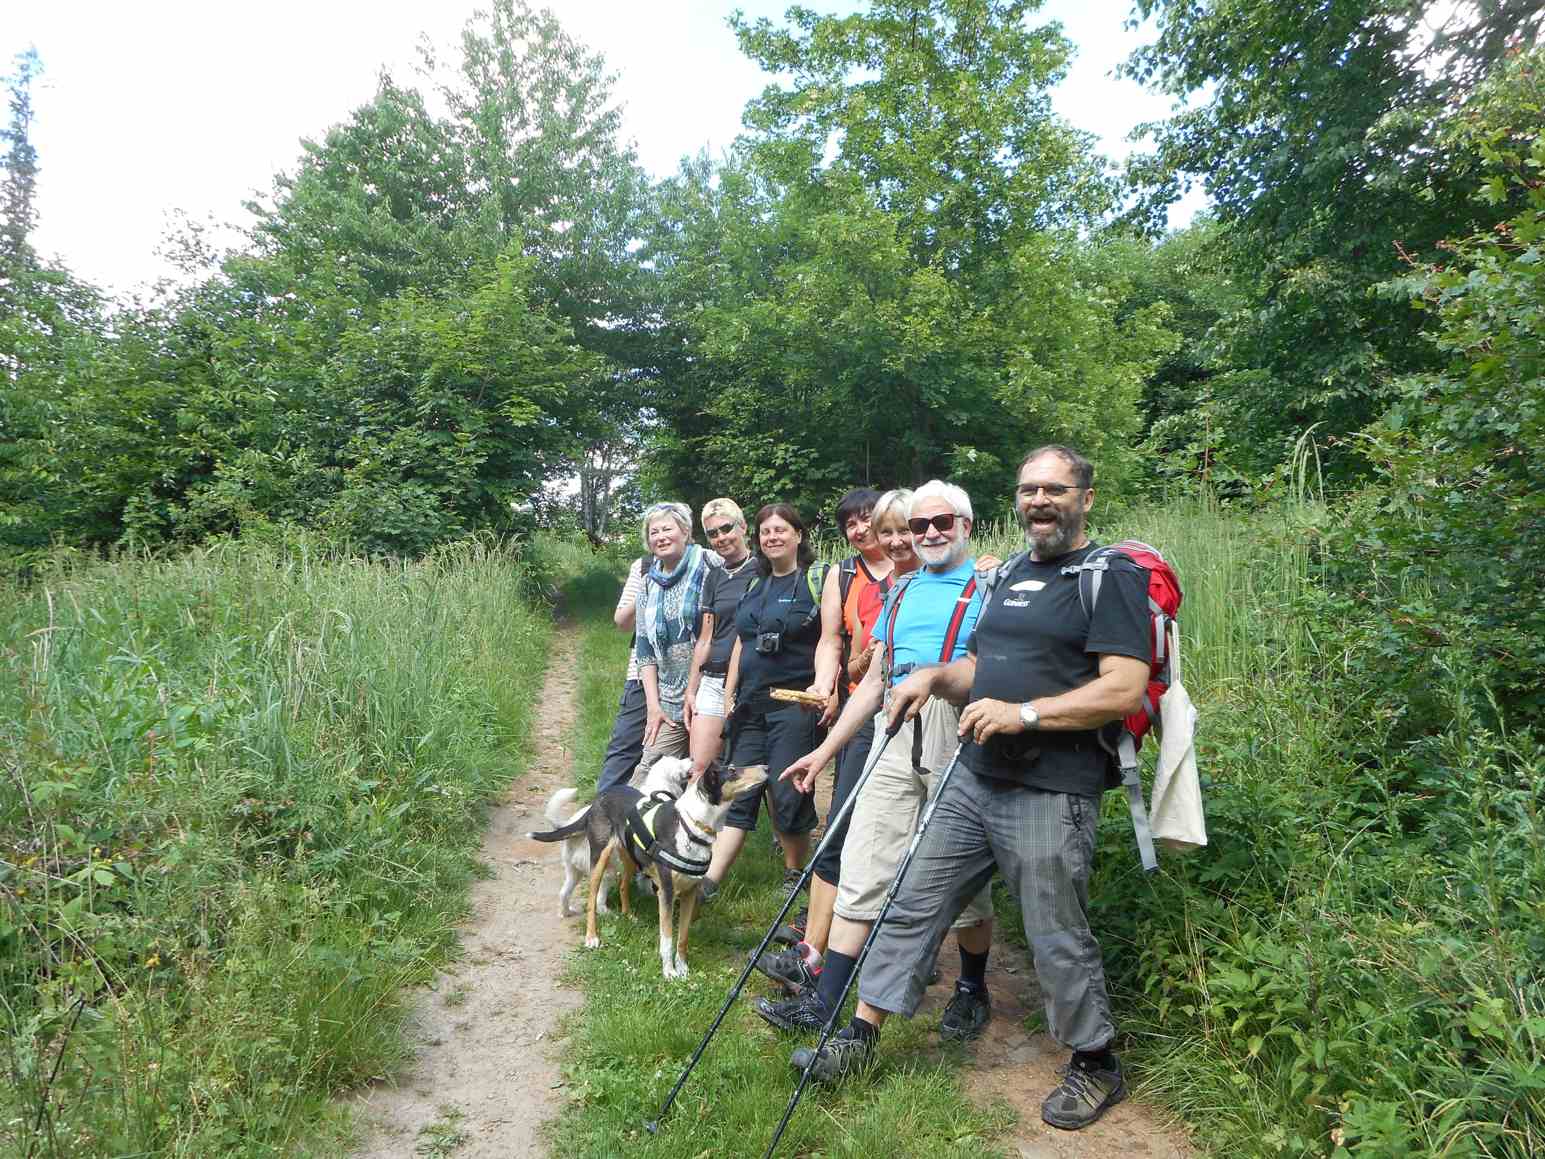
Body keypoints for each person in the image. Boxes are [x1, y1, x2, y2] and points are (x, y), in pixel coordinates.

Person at [789, 446, 1152, 1134]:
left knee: (1055, 932)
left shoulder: (1109, 577)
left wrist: (1025, 714)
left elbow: (1122, 688)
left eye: (1055, 489)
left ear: (1085, 498)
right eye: (1029, 488)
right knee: (910, 901)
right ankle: (859, 1034)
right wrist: (934, 677)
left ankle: (1094, 1060)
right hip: (975, 774)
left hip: (1052, 787)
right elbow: (981, 664)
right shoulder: (1010, 573)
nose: (1039, 500)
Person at [760, 481, 995, 1041]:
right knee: (864, 859)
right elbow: (872, 683)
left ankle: (971, 988)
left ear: (965, 526)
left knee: (957, 876)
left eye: (941, 523)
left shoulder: (989, 585)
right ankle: (823, 1003)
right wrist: (823, 752)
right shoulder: (901, 592)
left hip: (956, 727)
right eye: (919, 526)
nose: (928, 534)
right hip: (893, 723)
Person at [755, 487, 916, 987]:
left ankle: (890, 941)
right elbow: (832, 641)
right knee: (843, 822)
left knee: (905, 835)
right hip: (860, 712)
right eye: (852, 523)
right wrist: (824, 685)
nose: (862, 530)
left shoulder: (919, 573)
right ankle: (815, 945)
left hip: (915, 716)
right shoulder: (843, 575)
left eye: (872, 520)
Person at [701, 504, 839, 899]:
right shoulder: (754, 585)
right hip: (750, 705)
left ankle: (795, 874)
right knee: (739, 791)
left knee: (787, 793)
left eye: (780, 530)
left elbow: (832, 639)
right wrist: (729, 695)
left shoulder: (817, 579)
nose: (772, 537)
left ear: (798, 535)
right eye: (765, 532)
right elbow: (741, 645)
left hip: (794, 705)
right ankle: (709, 882)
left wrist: (826, 689)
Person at [634, 502, 720, 773]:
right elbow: (644, 650)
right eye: (654, 532)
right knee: (648, 772)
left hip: (710, 693)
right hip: (670, 700)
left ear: (685, 531)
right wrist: (653, 706)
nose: (661, 537)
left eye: (667, 529)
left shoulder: (710, 564)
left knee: (704, 775)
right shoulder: (648, 583)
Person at [684, 499, 757, 775]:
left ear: (743, 527)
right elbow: (706, 638)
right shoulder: (713, 577)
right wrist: (692, 690)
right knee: (700, 769)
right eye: (713, 533)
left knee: (754, 773)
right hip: (714, 680)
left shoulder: (763, 569)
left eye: (726, 528)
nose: (721, 538)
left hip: (750, 680)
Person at [596, 553, 649, 793]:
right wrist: (650, 585)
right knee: (625, 748)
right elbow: (623, 622)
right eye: (654, 534)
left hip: (690, 679)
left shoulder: (705, 561)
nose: (662, 537)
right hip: (640, 676)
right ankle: (602, 810)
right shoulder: (644, 566)